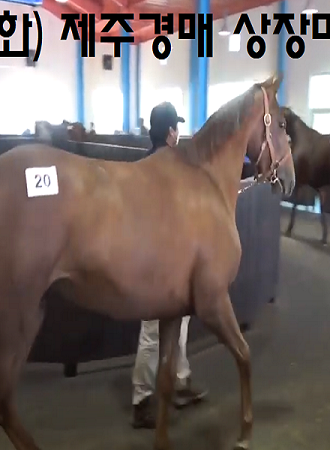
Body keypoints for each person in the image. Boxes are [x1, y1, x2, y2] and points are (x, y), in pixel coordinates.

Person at [131, 102, 208, 429]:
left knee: (180, 325)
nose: (179, 133)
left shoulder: (147, 163)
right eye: (176, 128)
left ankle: (179, 379)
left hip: (170, 262)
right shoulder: (166, 167)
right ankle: (141, 399)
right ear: (170, 132)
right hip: (158, 264)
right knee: (152, 333)